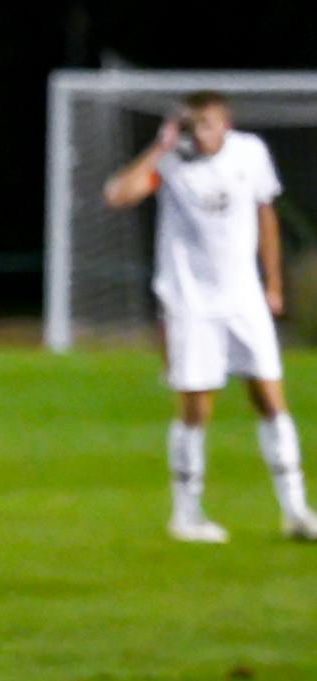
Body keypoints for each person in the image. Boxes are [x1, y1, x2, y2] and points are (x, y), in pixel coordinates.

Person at [103, 90, 317, 542]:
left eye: (206, 125)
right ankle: (185, 514)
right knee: (197, 407)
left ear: (225, 124)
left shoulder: (250, 153)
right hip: (190, 302)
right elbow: (118, 194)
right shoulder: (171, 163)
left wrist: (273, 283)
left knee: (271, 399)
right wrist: (160, 146)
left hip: (243, 299)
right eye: (190, 126)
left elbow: (266, 216)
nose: (198, 135)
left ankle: (296, 510)